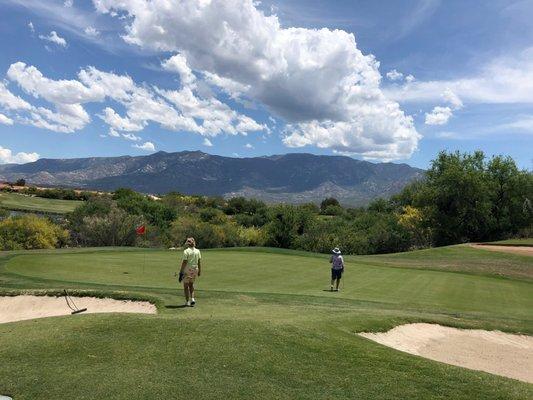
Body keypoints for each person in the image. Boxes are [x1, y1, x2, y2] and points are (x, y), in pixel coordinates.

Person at [178, 237, 202, 307]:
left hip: (188, 269)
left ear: (187, 243)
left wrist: (181, 272)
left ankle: (187, 301)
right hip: (195, 269)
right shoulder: (198, 251)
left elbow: (184, 262)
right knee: (191, 284)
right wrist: (199, 271)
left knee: (186, 286)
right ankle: (193, 299)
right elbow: (199, 262)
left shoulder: (186, 251)